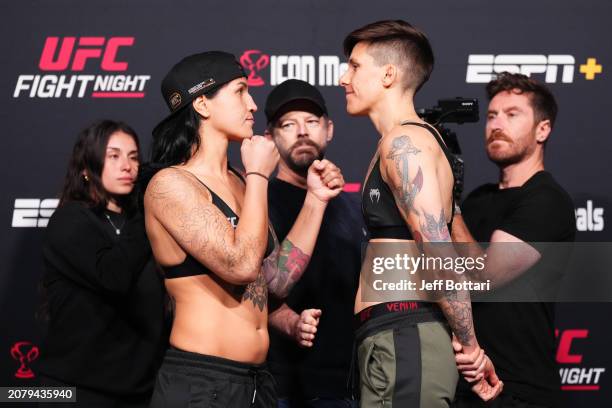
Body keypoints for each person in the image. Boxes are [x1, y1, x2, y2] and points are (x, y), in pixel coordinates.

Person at [143, 52, 344, 407]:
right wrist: (257, 175)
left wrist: (315, 200)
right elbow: (240, 265)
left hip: (256, 382)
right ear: (202, 103)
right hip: (201, 382)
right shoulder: (170, 185)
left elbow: (274, 281)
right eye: (240, 91)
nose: (252, 104)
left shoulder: (239, 180)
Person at [339, 20, 502, 407]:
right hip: (392, 335)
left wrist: (471, 347)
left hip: (406, 337)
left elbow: (440, 251)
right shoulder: (398, 142)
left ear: (389, 74)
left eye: (355, 66)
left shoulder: (405, 142)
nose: (344, 78)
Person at [451, 72, 576, 408]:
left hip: (520, 390)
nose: (497, 124)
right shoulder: (476, 201)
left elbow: (485, 277)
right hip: (461, 386)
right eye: (492, 115)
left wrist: (446, 207)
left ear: (543, 129)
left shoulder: (547, 200)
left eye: (512, 114)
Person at [38, 120, 168, 407]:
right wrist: (149, 207)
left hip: (140, 392)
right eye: (114, 155)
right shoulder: (70, 219)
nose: (127, 166)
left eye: (134, 157)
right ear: (87, 168)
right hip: (74, 392)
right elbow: (114, 276)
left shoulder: (144, 223)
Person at [263, 79, 362, 408]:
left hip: (346, 385)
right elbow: (254, 288)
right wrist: (288, 320)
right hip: (282, 386)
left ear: (329, 129)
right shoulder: (256, 202)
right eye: (288, 124)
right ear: (269, 138)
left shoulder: (350, 206)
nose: (302, 132)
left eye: (312, 121)